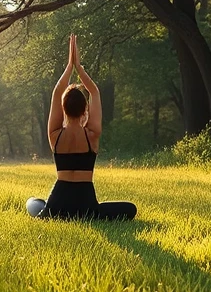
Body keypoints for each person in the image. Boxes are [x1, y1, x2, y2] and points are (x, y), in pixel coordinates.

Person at [26, 34, 137, 220]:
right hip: (86, 206)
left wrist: (69, 67)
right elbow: (94, 91)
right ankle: (83, 213)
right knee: (130, 209)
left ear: (63, 108)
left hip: (57, 204)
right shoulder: (92, 135)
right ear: (85, 108)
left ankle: (48, 211)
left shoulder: (55, 135)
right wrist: (79, 67)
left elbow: (57, 92)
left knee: (33, 203)